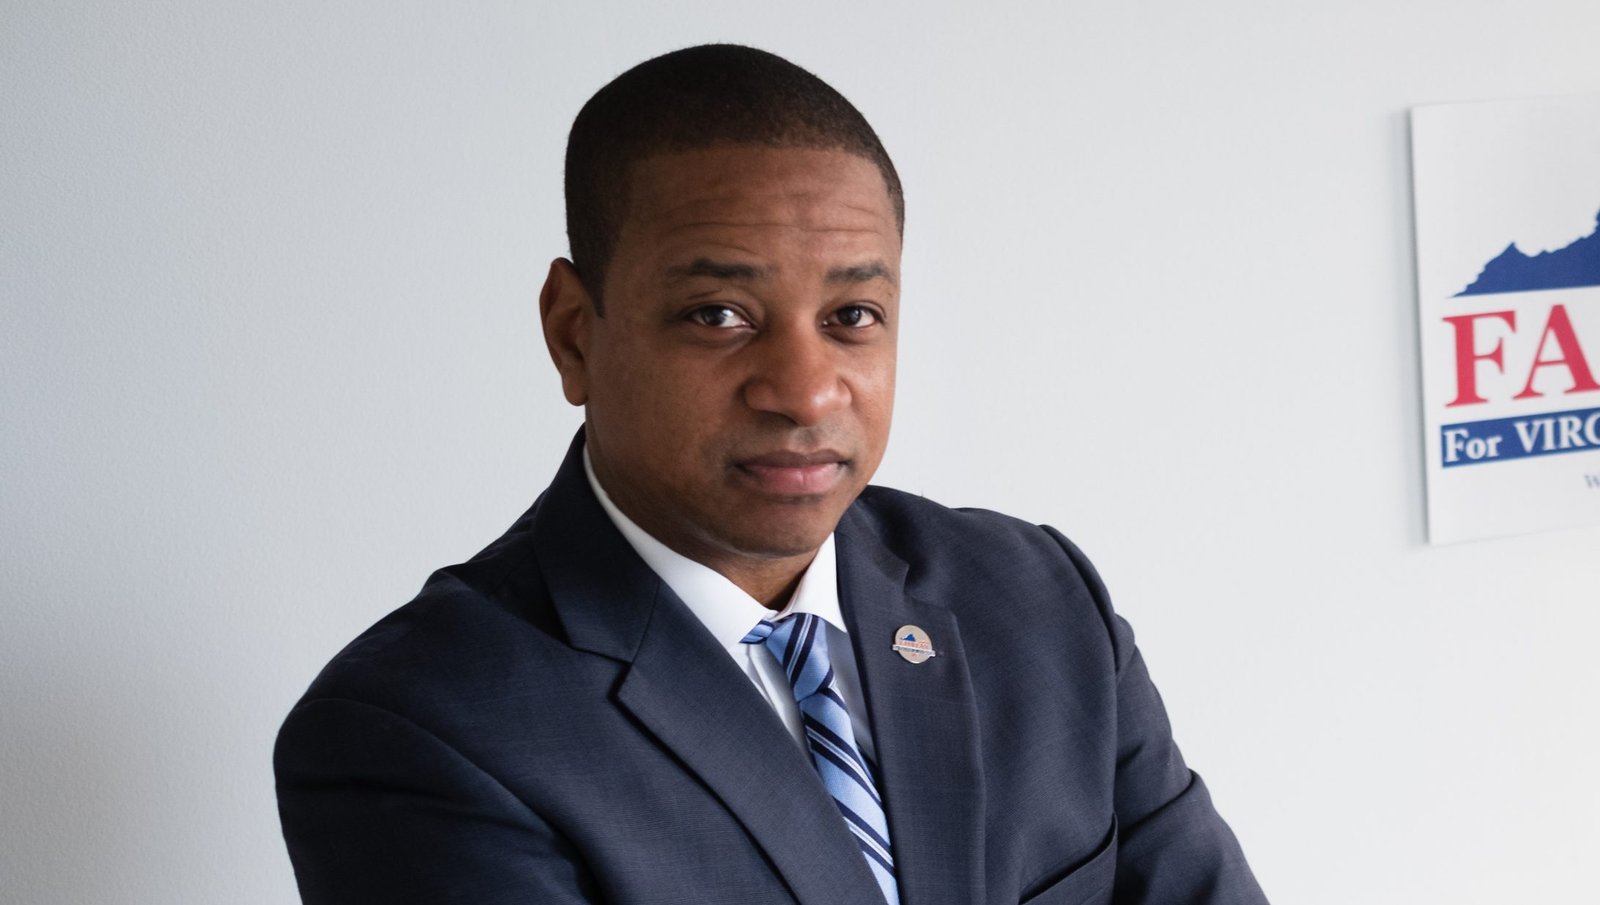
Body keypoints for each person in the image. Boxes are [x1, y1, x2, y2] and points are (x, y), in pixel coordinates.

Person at [274, 44, 1269, 905]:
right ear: (575, 334)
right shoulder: (421, 727)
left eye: (852, 317)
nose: (805, 390)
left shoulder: (1038, 603)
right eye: (719, 315)